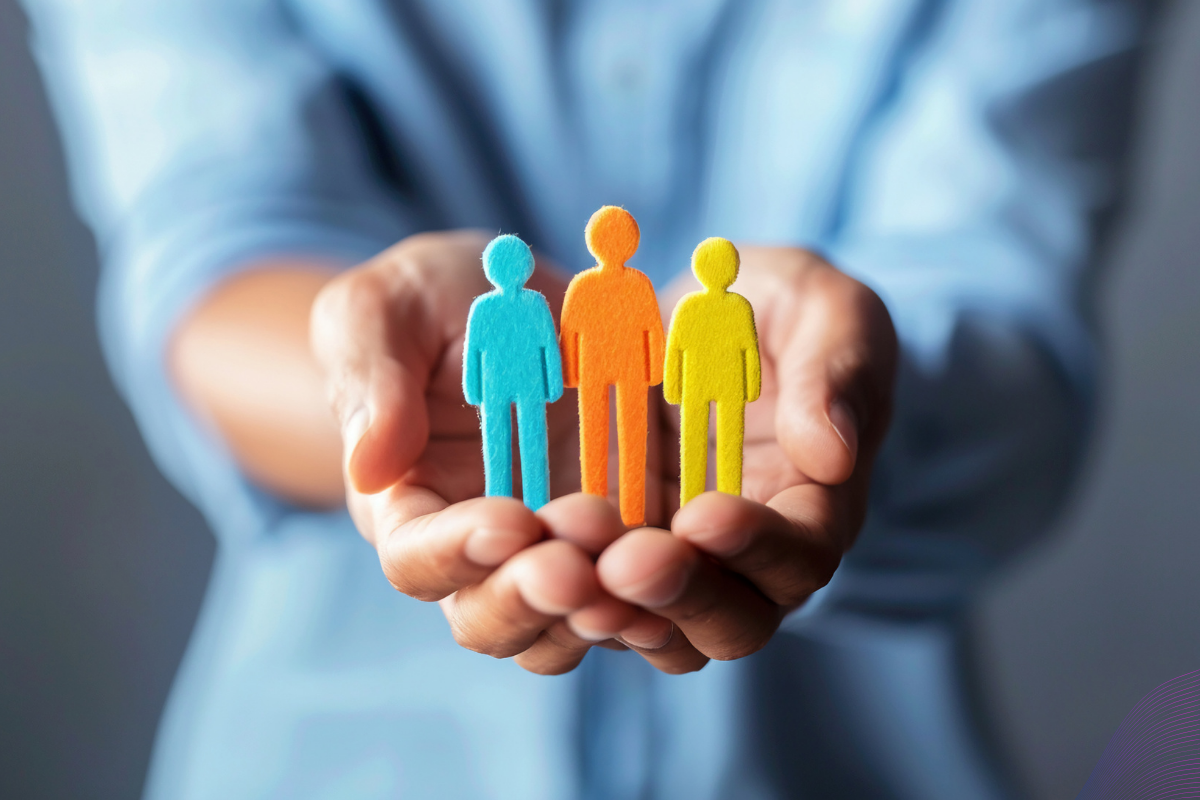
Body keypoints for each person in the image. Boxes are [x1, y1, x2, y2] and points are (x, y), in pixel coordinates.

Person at [17, 0, 1153, 797]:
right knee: (535, 458)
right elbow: (210, 244)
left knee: (675, 456)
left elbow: (1005, 307)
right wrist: (383, 397)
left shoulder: (683, 312)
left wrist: (851, 398)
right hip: (349, 723)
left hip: (796, 626)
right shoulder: (537, 310)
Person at [560, 206, 665, 526]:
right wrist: (656, 373)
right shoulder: (635, 283)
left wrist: (571, 375)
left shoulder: (585, 285)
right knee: (622, 439)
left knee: (601, 437)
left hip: (604, 368)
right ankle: (617, 511)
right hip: (624, 368)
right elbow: (653, 333)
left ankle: (614, 511)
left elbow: (571, 335)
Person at [463, 234, 563, 511]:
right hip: (521, 383)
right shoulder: (523, 305)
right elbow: (475, 351)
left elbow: (548, 344)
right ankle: (509, 501)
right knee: (513, 443)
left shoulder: (492, 307)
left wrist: (473, 388)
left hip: (501, 384)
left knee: (512, 442)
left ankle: (527, 502)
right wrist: (552, 383)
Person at [663, 237, 761, 506]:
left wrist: (672, 387)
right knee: (714, 442)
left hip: (705, 384)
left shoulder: (692, 307)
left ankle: (716, 500)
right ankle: (713, 499)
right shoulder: (735, 307)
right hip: (725, 386)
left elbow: (676, 351)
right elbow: (750, 351)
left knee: (709, 442)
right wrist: (751, 387)